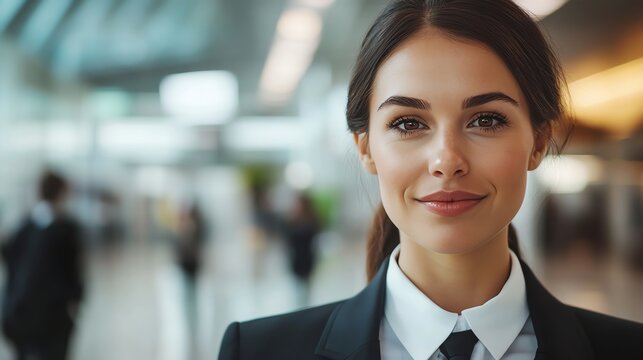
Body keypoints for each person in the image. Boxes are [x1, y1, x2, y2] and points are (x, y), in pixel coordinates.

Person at [218, 0, 643, 359]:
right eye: (407, 124)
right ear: (365, 148)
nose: (446, 161)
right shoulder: (256, 350)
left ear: (538, 142)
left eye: (486, 119)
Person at [1, 170, 84, 360]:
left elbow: (9, 257)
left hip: (22, 310)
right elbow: (73, 271)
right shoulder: (66, 229)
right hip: (52, 314)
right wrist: (76, 299)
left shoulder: (25, 225)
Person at [283, 193, 321, 307]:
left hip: (306, 260)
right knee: (296, 292)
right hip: (296, 261)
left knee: (305, 292)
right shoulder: (292, 222)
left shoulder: (311, 221)